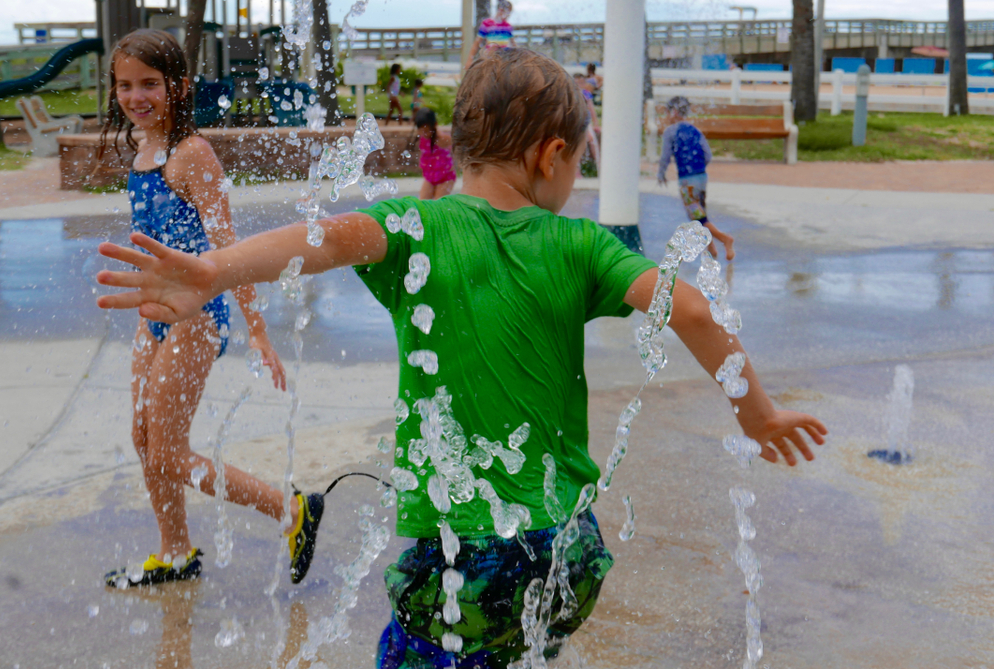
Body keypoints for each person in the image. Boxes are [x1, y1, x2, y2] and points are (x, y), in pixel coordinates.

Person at [96, 48, 826, 667]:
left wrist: (214, 270)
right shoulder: (579, 244)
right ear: (553, 155)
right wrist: (757, 415)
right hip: (566, 547)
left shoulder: (417, 225)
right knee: (518, 641)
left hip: (457, 556)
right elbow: (694, 308)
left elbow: (326, 237)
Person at [95, 29, 325, 588]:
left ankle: (291, 511)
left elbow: (228, 248)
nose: (136, 96)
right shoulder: (145, 148)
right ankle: (175, 553)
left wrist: (259, 332)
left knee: (170, 453)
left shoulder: (191, 154)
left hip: (196, 319)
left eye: (150, 83)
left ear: (179, 86)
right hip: (154, 316)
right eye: (125, 85)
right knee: (144, 438)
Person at [657, 96, 736, 261]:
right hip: (701, 177)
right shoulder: (694, 129)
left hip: (687, 181)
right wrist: (699, 169)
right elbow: (708, 154)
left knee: (697, 218)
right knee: (701, 213)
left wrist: (661, 173)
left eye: (667, 112)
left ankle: (724, 239)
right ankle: (711, 248)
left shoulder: (670, 132)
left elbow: (665, 156)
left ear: (674, 112)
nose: (666, 116)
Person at [411, 107, 456, 199]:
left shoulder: (441, 139)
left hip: (445, 177)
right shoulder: (424, 138)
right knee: (422, 204)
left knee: (437, 205)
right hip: (430, 177)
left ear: (435, 125)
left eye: (427, 131)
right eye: (421, 131)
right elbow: (425, 153)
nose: (425, 134)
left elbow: (457, 143)